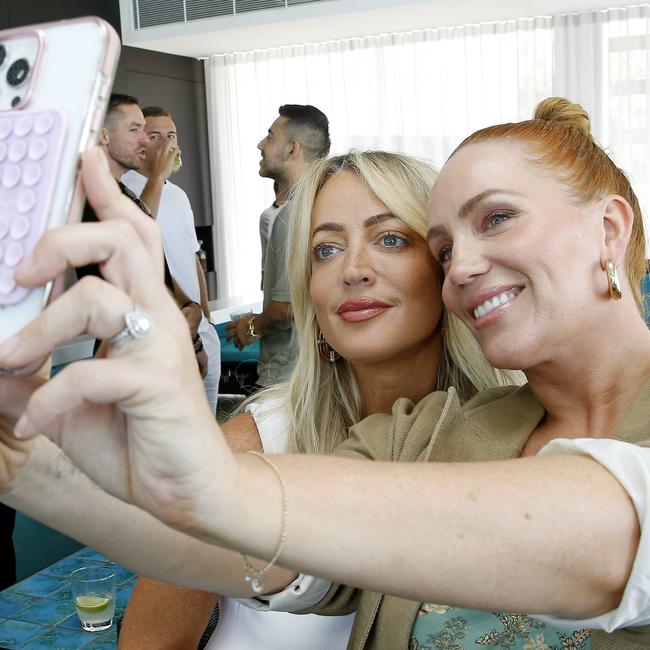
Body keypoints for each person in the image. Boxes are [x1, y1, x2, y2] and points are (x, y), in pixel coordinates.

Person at [0, 98, 646, 648]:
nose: (464, 267)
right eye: (445, 249)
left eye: (498, 218)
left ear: (610, 230)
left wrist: (213, 484)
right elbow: (264, 555)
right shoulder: (426, 434)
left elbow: (608, 534)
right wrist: (35, 467)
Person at [119, 151, 519, 649]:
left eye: (391, 238)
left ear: (447, 264)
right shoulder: (251, 449)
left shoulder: (524, 441)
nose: (353, 269)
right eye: (326, 250)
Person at [122, 106, 220, 415]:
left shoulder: (178, 194)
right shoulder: (125, 190)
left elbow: (193, 258)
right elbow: (139, 240)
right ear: (140, 142)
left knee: (212, 429)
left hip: (199, 328)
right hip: (163, 331)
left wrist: (206, 316)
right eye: (155, 136)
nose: (168, 144)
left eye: (172, 135)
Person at [227, 104, 330, 388]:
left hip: (285, 379)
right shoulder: (324, 202)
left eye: (270, 136)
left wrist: (249, 328)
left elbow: (285, 310)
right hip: (315, 373)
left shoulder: (293, 213)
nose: (261, 144)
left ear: (291, 149)